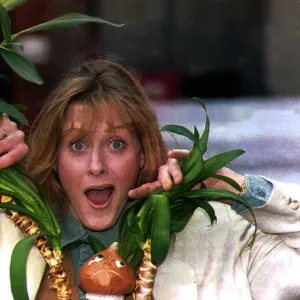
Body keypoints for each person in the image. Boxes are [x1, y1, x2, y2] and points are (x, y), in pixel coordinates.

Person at [1, 59, 300, 300]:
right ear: (55, 158)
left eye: (116, 144)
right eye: (77, 145)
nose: (96, 166)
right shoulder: (9, 239)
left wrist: (235, 187)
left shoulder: (218, 239)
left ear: (143, 155)